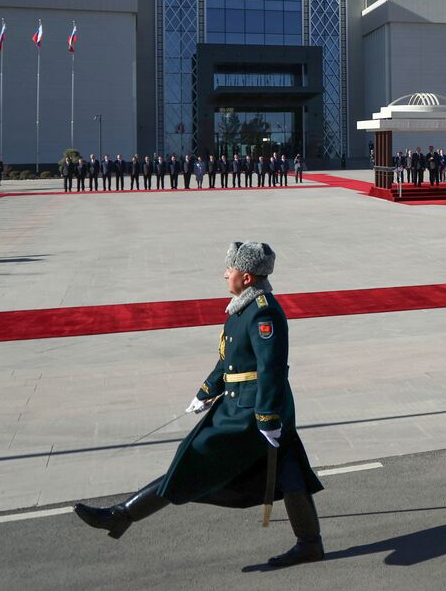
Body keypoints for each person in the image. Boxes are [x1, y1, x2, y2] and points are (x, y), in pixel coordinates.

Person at [72, 241, 325, 568]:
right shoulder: (241, 308)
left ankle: (122, 515)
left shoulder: (263, 311)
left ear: (247, 277)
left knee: (194, 458)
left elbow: (271, 369)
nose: (225, 274)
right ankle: (309, 544)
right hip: (241, 404)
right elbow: (228, 362)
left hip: (251, 412)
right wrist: (206, 391)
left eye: (230, 270)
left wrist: (266, 417)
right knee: (289, 471)